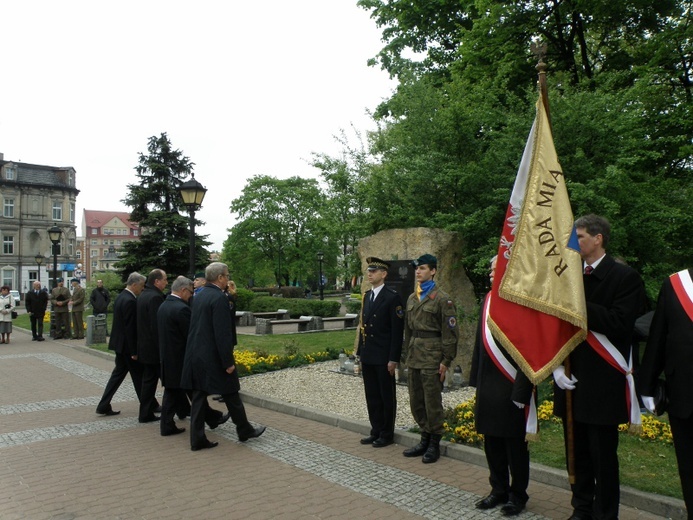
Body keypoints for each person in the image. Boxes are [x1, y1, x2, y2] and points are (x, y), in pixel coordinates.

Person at [552, 214, 646, 520]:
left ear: (598, 238)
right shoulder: (567, 276)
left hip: (603, 380)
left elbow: (621, 324)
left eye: (579, 237)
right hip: (572, 376)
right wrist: (555, 365)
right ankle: (581, 508)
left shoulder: (624, 278)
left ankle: (605, 514)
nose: (573, 243)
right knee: (576, 453)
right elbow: (555, 326)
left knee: (602, 456)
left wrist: (578, 302)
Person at [470, 256, 534, 516]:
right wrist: (476, 379)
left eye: (496, 268)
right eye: (490, 267)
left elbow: (531, 350)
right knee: (492, 441)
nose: (490, 272)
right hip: (489, 384)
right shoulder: (488, 300)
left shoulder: (522, 301)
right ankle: (498, 489)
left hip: (511, 385)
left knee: (515, 446)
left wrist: (523, 389)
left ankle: (518, 495)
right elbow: (480, 344)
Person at [182, 262, 265, 451]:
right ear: (219, 277)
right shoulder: (218, 298)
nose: (228, 278)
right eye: (227, 275)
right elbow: (222, 333)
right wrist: (227, 361)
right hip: (213, 357)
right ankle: (243, 430)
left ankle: (203, 437)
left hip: (197, 353)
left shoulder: (199, 295)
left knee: (203, 396)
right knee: (230, 391)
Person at [638, 268, 693, 518]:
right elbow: (659, 335)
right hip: (684, 394)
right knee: (689, 469)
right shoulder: (677, 283)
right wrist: (647, 385)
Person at [401, 253, 458, 463]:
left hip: (433, 357)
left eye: (423, 268)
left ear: (433, 271)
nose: (418, 272)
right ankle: (424, 437)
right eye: (417, 268)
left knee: (432, 401)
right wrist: (405, 354)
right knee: (416, 400)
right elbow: (408, 330)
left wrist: (446, 361)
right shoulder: (411, 297)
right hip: (415, 355)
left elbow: (450, 334)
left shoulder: (443, 299)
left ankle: (434, 442)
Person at [356, 256, 404, 448]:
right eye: (369, 271)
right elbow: (363, 326)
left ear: (383, 274)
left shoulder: (392, 297)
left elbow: (396, 331)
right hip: (369, 355)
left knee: (386, 396)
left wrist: (393, 358)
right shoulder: (367, 295)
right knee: (372, 396)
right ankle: (375, 430)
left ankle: (386, 433)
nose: (369, 273)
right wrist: (360, 353)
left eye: (374, 271)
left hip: (384, 357)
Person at [96, 272, 146, 416]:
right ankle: (148, 404)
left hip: (119, 344)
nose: (142, 289)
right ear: (134, 284)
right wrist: (134, 351)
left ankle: (103, 404)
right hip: (126, 347)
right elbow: (130, 328)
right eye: (141, 286)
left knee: (118, 375)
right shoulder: (130, 300)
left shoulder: (121, 297)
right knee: (138, 377)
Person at [136, 269, 168, 423]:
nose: (166, 283)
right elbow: (157, 326)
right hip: (154, 349)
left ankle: (145, 413)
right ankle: (183, 410)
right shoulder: (155, 297)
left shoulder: (143, 295)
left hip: (145, 347)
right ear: (157, 281)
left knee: (148, 382)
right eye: (165, 280)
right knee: (170, 382)